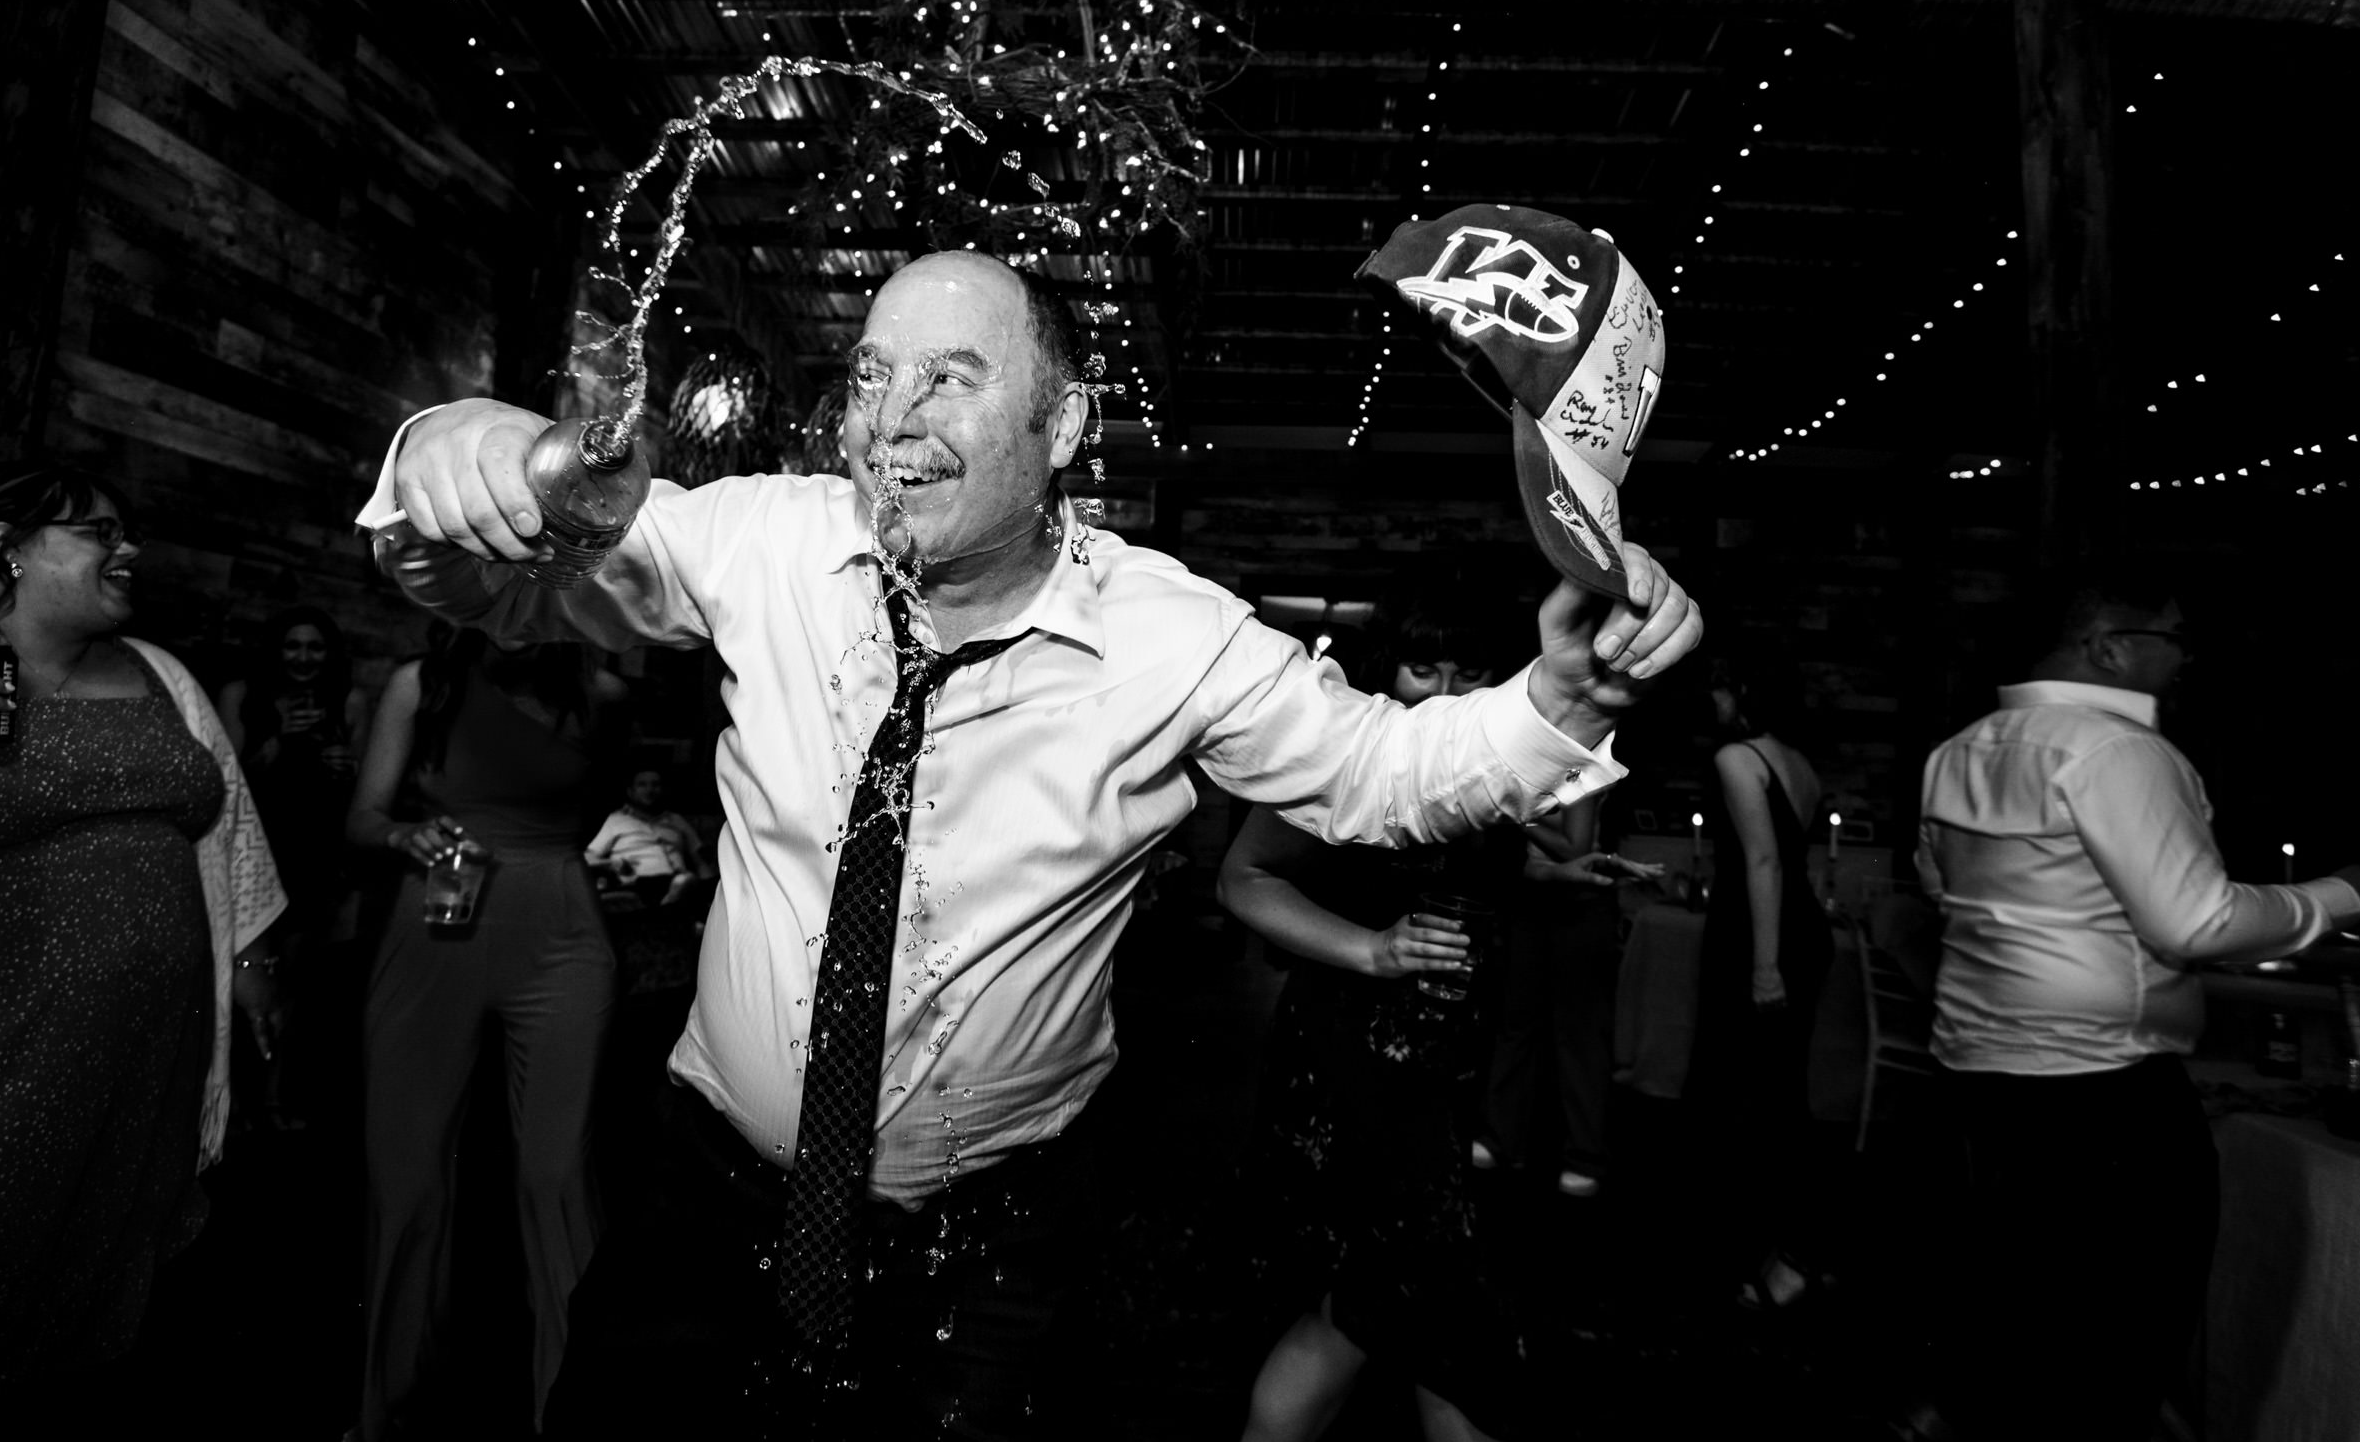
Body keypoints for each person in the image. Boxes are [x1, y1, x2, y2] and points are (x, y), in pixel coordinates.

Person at [355, 242, 1701, 1437]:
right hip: (701, 1207)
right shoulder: (765, 540)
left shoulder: (1168, 637)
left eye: (950, 375)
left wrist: (1562, 702)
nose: (892, 418)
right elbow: (501, 586)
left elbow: (1385, 772)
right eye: (874, 375)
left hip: (991, 1247)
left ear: (1064, 423)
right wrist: (441, 457)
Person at [1916, 569, 2360, 1442]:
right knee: (2112, 1357)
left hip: (1979, 1089)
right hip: (2105, 1107)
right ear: (2109, 645)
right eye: (2173, 639)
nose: (2184, 659)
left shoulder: (1963, 747)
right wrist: (2347, 894)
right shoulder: (2116, 750)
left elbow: (1940, 885)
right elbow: (2197, 919)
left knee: (2015, 1332)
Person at [0, 461, 286, 1418]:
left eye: (128, 533)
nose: (130, 551)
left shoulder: (163, 673)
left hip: (159, 1056)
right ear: (8, 549)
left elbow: (230, 829)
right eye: (99, 533)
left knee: (120, 1280)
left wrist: (249, 963)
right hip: (12, 1050)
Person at [1218, 593, 1528, 1442]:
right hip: (1352, 1055)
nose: (1443, 691)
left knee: (1391, 1301)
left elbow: (1446, 874)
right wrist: (1374, 950)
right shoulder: (1349, 752)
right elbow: (1243, 879)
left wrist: (1552, 877)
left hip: (1438, 1063)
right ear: (1386, 668)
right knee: (1421, 1298)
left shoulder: (1483, 756)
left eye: (1470, 674)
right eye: (1421, 668)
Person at [343, 624, 626, 1439]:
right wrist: (402, 833)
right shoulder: (419, 685)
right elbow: (361, 816)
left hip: (560, 933)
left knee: (556, 1175)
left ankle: (566, 1406)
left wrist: (538, 851)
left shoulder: (602, 696)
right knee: (405, 1170)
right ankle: (384, 1401)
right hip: (437, 915)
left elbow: (598, 802)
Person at [1684, 656, 1830, 1310]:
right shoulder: (1796, 760)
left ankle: (1757, 1260)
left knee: (1739, 1097)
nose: (1711, 698)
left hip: (1761, 936)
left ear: (1741, 693)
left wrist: (1765, 964)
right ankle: (1790, 1253)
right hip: (1802, 930)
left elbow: (1764, 860)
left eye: (1718, 686)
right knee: (1778, 1093)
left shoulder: (1737, 757)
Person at [215, 604, 369, 1128]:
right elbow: (223, 783)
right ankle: (225, 1097)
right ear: (276, 651)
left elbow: (367, 794)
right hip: (254, 850)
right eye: (293, 646)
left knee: (298, 983)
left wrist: (344, 767)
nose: (304, 657)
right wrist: (278, 739)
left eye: (315, 647)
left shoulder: (349, 701)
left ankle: (278, 1098)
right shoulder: (242, 696)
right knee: (237, 975)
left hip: (314, 853)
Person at [1478, 789, 1663, 1199]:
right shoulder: (1530, 752)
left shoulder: (1582, 760)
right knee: (1516, 1023)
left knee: (1579, 1033)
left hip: (1582, 899)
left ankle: (1585, 1156)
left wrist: (1513, 817)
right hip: (1530, 892)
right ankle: (1501, 1140)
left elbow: (1574, 846)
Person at [585, 765, 714, 911]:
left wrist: (711, 893)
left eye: (655, 785)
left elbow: (700, 862)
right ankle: (665, 909)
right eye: (642, 785)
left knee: (685, 880)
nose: (650, 790)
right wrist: (611, 863)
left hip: (677, 883)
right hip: (636, 884)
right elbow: (588, 858)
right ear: (631, 791)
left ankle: (664, 908)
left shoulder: (677, 820)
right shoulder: (616, 820)